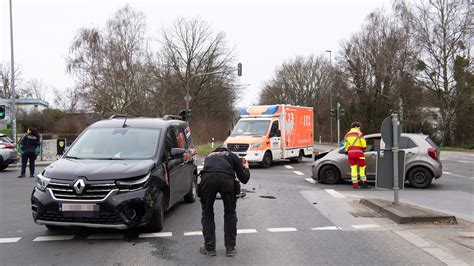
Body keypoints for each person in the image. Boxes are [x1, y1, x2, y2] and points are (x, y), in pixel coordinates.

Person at [199, 147, 250, 257]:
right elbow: (244, 178)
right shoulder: (232, 156)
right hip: (226, 179)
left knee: (207, 213)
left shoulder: (209, 156)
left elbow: (206, 171)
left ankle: (209, 247)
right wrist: (246, 168)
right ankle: (230, 248)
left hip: (208, 179)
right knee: (230, 212)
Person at [344, 122, 369, 189]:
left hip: (350, 154)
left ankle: (355, 185)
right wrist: (364, 148)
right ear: (356, 127)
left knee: (353, 168)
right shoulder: (359, 133)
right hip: (359, 153)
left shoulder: (347, 135)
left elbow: (345, 146)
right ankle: (363, 183)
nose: (359, 129)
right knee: (362, 167)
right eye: (359, 128)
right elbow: (363, 144)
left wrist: (348, 149)